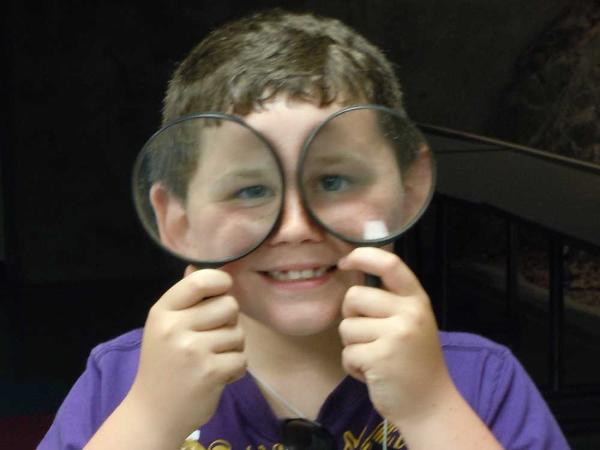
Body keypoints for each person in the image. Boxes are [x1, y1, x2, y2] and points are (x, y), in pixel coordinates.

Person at [38, 9, 569, 450]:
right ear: (177, 219)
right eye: (249, 190)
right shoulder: (122, 383)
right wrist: (151, 418)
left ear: (409, 191)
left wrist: (431, 410)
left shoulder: (481, 383)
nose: (294, 227)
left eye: (334, 180)